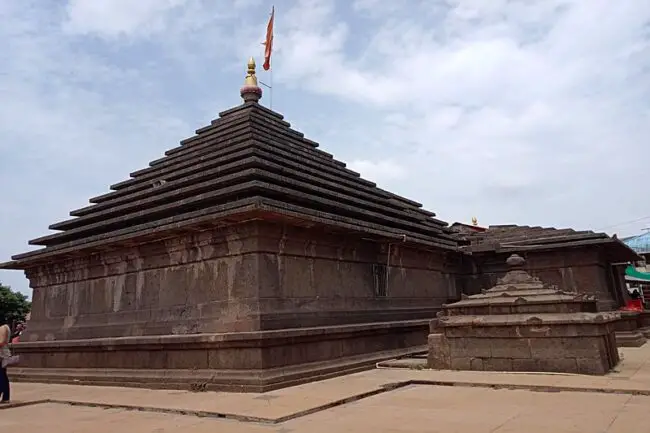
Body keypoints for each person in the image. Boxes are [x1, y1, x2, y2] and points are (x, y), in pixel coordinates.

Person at [0, 321, 11, 403]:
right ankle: (5, 396)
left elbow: (2, 341)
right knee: (2, 375)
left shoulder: (3, 327)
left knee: (2, 375)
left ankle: (5, 396)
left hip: (1, 354)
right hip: (2, 354)